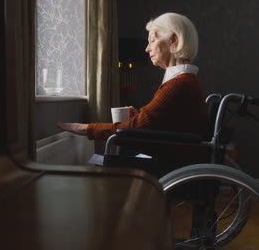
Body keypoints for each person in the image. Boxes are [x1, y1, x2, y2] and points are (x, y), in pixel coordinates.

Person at [57, 12, 208, 175]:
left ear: (174, 40)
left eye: (152, 40)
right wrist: (140, 117)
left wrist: (87, 128)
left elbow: (137, 127)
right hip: (174, 157)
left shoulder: (179, 84)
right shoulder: (184, 81)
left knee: (97, 162)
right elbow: (170, 125)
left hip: (173, 166)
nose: (147, 48)